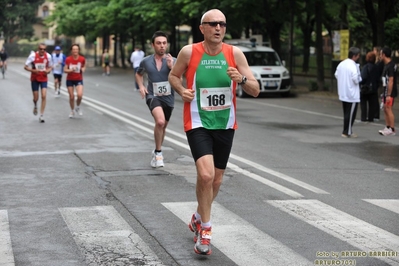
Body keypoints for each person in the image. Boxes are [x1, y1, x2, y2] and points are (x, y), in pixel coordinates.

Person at [168, 9, 259, 255]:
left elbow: (255, 89)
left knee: (217, 179)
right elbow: (173, 76)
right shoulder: (189, 52)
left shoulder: (234, 53)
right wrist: (181, 90)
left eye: (222, 24)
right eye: (213, 24)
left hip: (225, 124)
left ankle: (198, 215)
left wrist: (240, 79)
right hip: (197, 122)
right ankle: (205, 231)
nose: (218, 28)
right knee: (206, 176)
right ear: (202, 28)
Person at [135, 31, 175, 168]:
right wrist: (141, 86)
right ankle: (158, 153)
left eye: (164, 43)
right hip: (153, 96)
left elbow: (179, 81)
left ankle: (157, 150)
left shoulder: (173, 61)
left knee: (163, 127)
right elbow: (139, 74)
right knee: (160, 121)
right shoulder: (146, 61)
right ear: (153, 45)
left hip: (169, 98)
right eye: (159, 43)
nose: (162, 46)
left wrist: (171, 68)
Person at [334, 47, 362, 138]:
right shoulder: (353, 65)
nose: (358, 57)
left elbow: (336, 75)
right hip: (352, 94)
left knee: (346, 113)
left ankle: (347, 130)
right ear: (354, 56)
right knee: (350, 114)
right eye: (358, 56)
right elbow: (355, 78)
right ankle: (347, 131)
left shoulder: (342, 64)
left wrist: (343, 81)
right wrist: (359, 79)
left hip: (343, 92)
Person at [24, 43, 53, 123]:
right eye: (41, 49)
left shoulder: (49, 56)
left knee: (44, 96)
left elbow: (50, 66)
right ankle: (35, 105)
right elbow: (25, 66)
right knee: (36, 98)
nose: (42, 51)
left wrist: (48, 70)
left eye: (44, 49)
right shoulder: (33, 56)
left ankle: (41, 115)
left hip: (43, 78)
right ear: (38, 49)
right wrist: (33, 70)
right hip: (35, 79)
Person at [378, 46, 397, 136]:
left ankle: (392, 129)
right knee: (385, 108)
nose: (380, 56)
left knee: (388, 108)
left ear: (384, 54)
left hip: (390, 92)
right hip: (385, 91)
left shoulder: (391, 66)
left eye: (381, 54)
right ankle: (388, 127)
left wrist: (389, 94)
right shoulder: (386, 65)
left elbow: (391, 80)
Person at [64, 44, 86, 118]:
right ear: (71, 51)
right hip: (70, 79)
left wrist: (81, 69)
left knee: (79, 95)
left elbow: (83, 67)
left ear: (78, 50)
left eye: (76, 49)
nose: (75, 51)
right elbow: (65, 70)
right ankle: (72, 111)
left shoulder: (82, 59)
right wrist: (71, 70)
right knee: (71, 96)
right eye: (74, 49)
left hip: (78, 79)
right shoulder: (68, 59)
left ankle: (78, 107)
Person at [359, 51, 379, 122]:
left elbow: (363, 77)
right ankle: (371, 117)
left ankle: (363, 117)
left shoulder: (365, 67)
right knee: (372, 104)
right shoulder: (376, 67)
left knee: (363, 104)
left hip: (365, 88)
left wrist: (361, 83)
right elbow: (378, 78)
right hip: (373, 88)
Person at [372, 46, 384, 121]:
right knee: (374, 98)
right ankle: (374, 113)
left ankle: (376, 115)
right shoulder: (376, 61)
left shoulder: (380, 62)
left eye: (374, 51)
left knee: (376, 98)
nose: (373, 52)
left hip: (378, 82)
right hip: (375, 81)